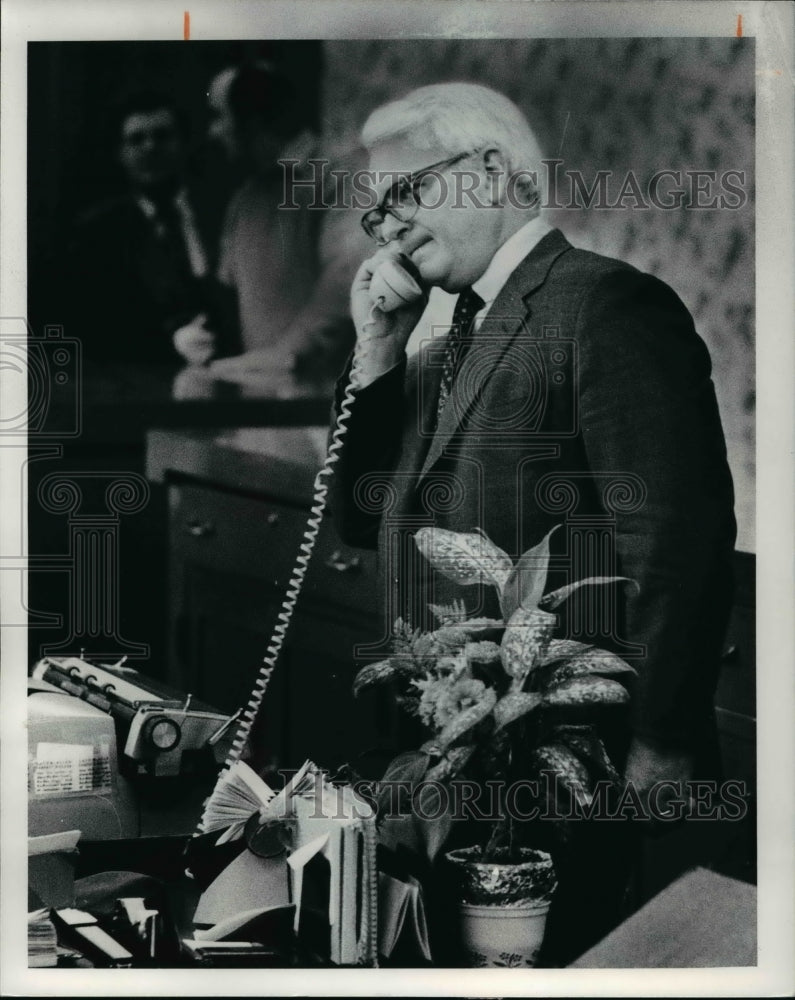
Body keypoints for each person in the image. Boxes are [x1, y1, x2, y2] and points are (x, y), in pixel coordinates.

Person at [329, 83, 737, 964]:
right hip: (449, 762)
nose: (387, 224)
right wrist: (375, 352)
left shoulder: (604, 305)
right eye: (377, 211)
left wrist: (664, 744)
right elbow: (358, 522)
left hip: (575, 763)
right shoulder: (437, 350)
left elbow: (673, 542)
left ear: (486, 173)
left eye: (404, 191)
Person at [177, 62, 368, 385]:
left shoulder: (340, 178)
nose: (213, 131)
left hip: (334, 406)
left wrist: (287, 354)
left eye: (218, 116)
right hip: (265, 406)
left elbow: (346, 282)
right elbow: (228, 296)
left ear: (252, 122)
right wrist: (195, 334)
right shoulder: (246, 199)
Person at [62, 90, 235, 367]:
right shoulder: (95, 235)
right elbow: (92, 326)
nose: (150, 147)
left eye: (163, 136)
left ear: (183, 144)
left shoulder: (221, 214)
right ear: (120, 153)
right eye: (136, 139)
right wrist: (170, 344)